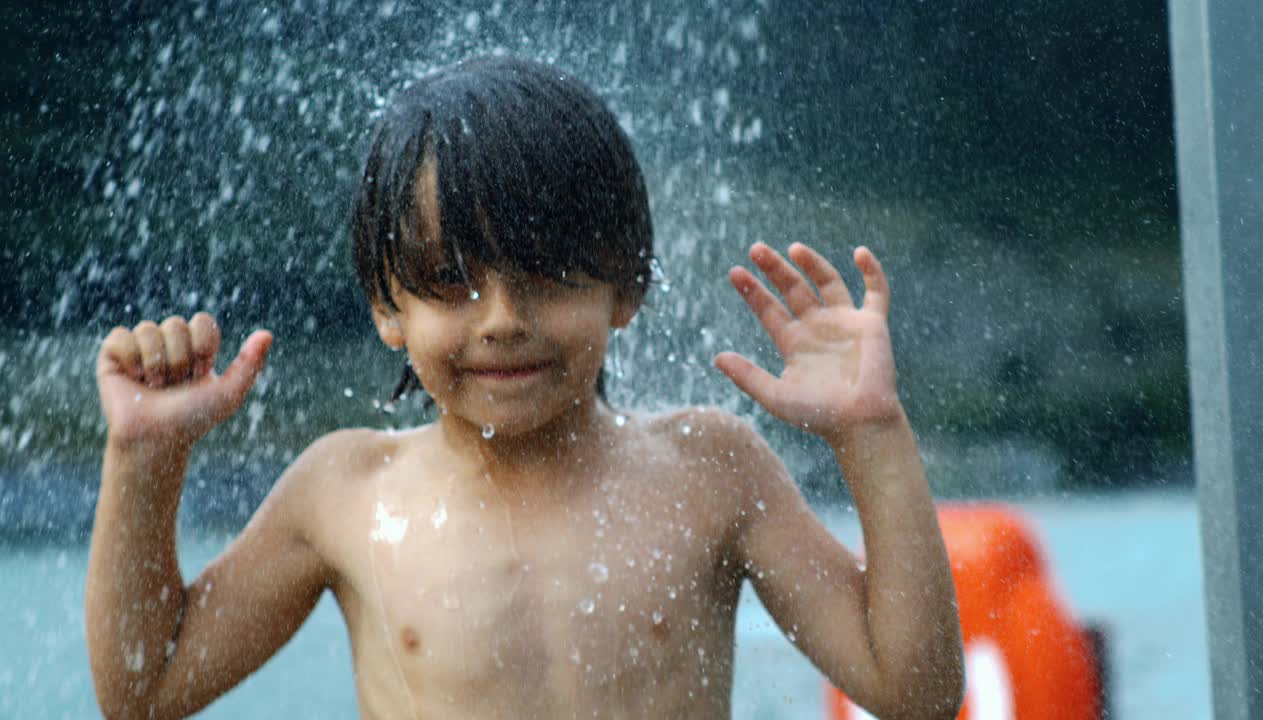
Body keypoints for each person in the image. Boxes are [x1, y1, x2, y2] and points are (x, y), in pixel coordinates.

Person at [85, 56, 963, 719]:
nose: (502, 318)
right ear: (387, 306)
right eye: (450, 280)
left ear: (627, 288)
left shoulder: (712, 469)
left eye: (544, 275)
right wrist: (145, 461)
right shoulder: (345, 491)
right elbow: (145, 686)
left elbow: (913, 691)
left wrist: (871, 433)